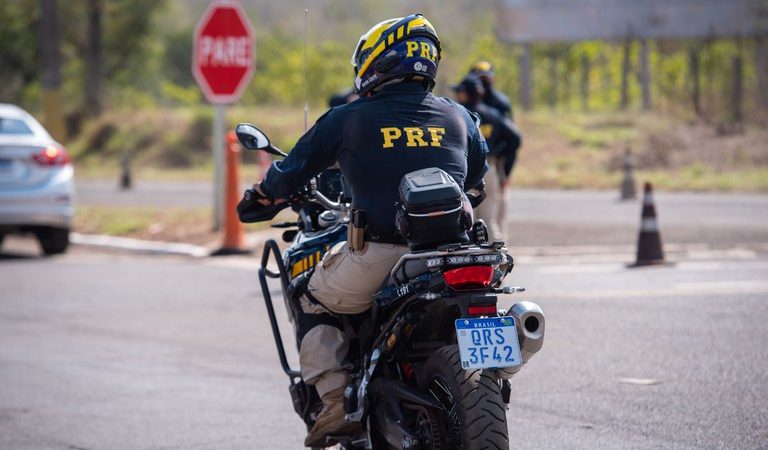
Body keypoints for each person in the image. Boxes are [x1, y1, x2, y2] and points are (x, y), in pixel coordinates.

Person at [248, 14, 488, 447]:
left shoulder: (348, 118)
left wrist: (262, 195)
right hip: (457, 252)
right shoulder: (461, 117)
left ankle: (336, 399)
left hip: (382, 255)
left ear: (378, 61)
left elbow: (288, 174)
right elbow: (477, 174)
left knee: (308, 291)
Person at [453, 74, 520, 243]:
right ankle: (496, 260)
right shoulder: (493, 113)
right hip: (489, 169)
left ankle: (468, 261)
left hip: (467, 172)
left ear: (464, 93)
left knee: (466, 221)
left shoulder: (458, 115)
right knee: (488, 220)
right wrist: (497, 152)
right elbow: (515, 138)